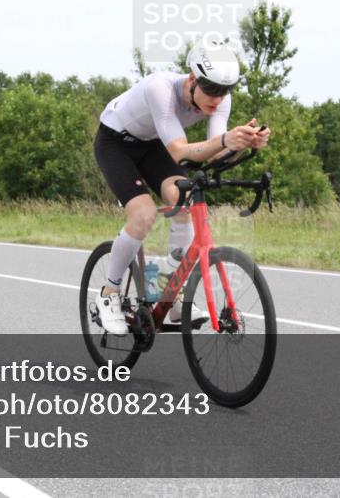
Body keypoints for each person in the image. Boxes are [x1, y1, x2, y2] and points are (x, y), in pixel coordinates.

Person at [93, 38, 271, 334]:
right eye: (210, 89)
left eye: (224, 91)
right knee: (143, 215)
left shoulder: (219, 102)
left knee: (183, 202)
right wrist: (227, 140)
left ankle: (167, 291)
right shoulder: (159, 88)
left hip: (153, 145)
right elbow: (179, 151)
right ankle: (109, 294)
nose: (217, 98)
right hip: (116, 142)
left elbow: (216, 150)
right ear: (192, 80)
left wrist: (245, 143)